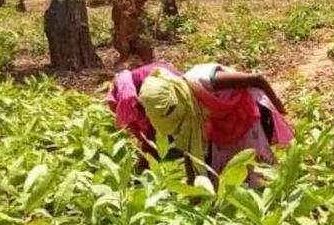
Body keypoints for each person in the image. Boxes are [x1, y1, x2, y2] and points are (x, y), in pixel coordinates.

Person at [108, 62, 292, 186]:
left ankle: (277, 195)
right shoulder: (187, 109)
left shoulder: (202, 81)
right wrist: (192, 187)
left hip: (249, 110)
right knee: (223, 170)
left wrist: (279, 106)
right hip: (222, 120)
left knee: (257, 167)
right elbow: (189, 147)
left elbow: (257, 79)